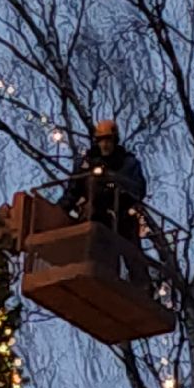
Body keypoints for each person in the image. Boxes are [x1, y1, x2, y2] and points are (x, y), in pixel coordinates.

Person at [58, 119, 149, 278]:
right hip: (94, 214)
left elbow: (138, 189)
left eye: (108, 140)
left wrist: (116, 184)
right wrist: (60, 210)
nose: (105, 144)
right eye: (101, 140)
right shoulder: (87, 164)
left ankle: (142, 286)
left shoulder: (128, 164)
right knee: (90, 243)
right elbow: (73, 190)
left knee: (132, 252)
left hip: (121, 215)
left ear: (115, 141)